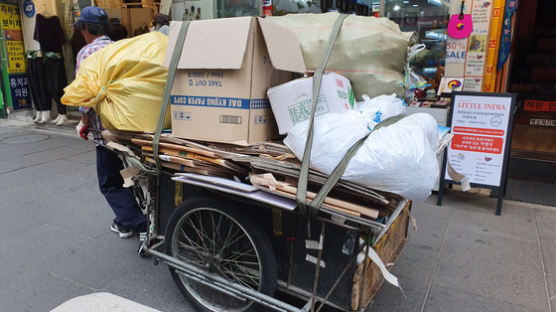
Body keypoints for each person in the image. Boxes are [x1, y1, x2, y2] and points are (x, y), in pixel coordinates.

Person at [74, 6, 146, 239]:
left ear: (85, 29)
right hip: (132, 126)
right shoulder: (122, 49)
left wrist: (83, 121)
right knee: (131, 175)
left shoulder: (88, 53)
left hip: (106, 132)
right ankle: (124, 221)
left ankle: (139, 224)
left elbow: (87, 95)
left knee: (110, 182)